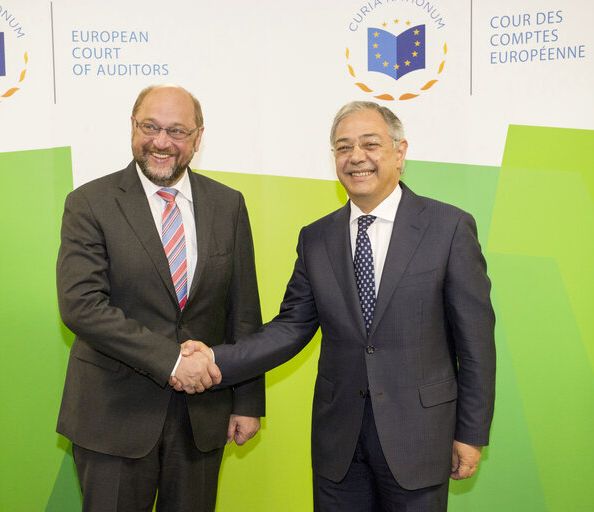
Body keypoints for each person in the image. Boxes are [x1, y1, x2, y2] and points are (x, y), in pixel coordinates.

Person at [179, 101, 496, 511]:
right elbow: (291, 327)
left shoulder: (449, 228)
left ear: (400, 153)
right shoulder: (317, 238)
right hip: (338, 443)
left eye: (370, 144)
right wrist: (217, 359)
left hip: (419, 439)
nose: (356, 157)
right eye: (343, 147)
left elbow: (476, 344)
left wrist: (470, 434)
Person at [56, 84, 265, 512]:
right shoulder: (90, 204)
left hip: (201, 418)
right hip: (113, 418)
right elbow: (82, 305)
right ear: (133, 127)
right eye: (149, 127)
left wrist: (247, 401)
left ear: (198, 137)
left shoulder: (228, 205)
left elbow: (243, 311)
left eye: (176, 131)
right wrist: (172, 361)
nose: (161, 142)